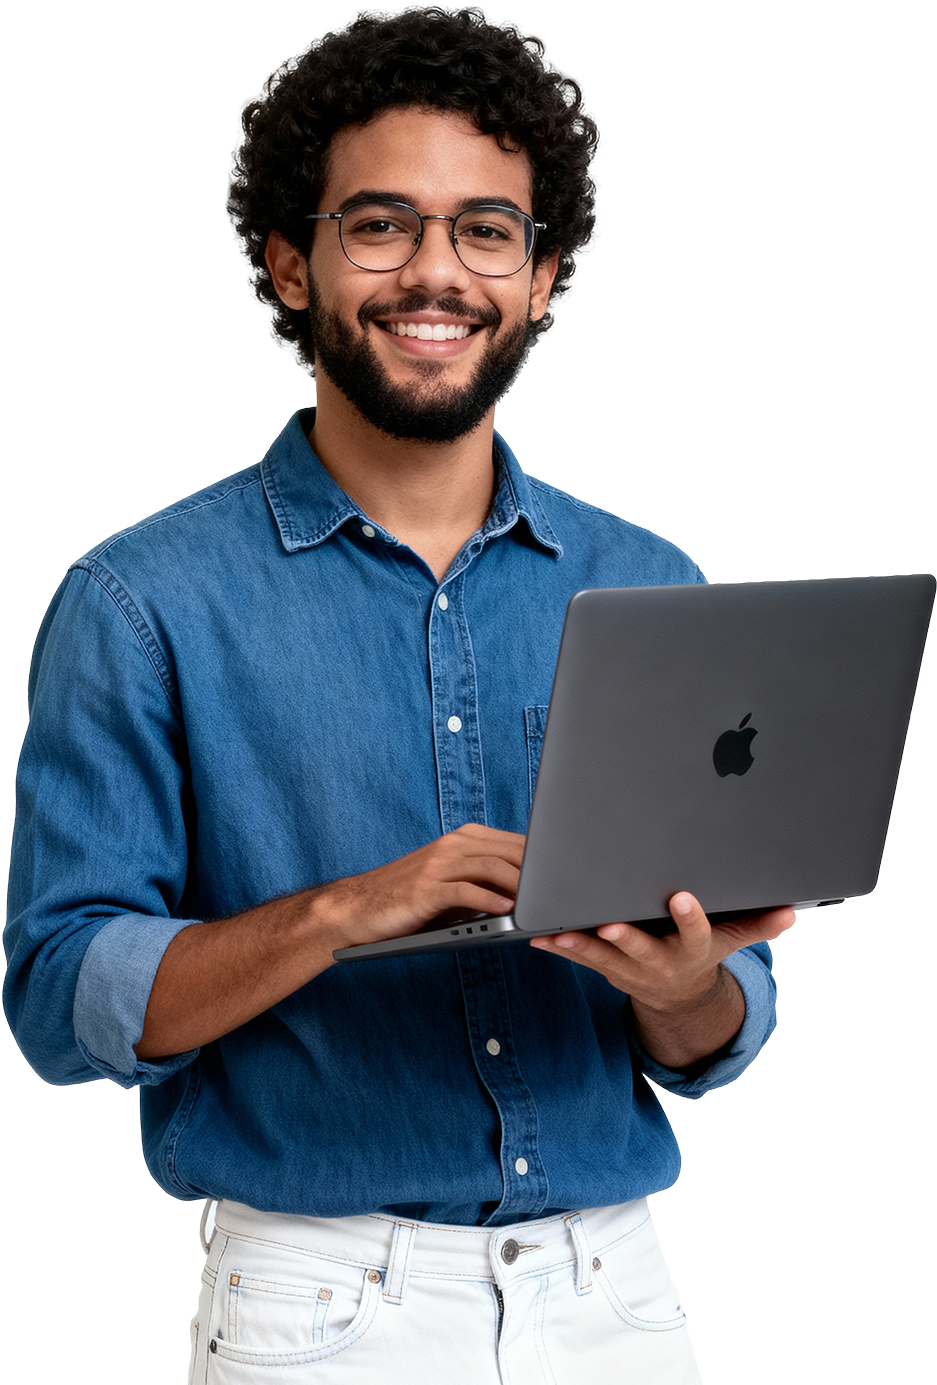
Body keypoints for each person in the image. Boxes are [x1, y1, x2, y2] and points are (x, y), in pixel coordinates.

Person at [4, 5, 793, 1381]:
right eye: (381, 226)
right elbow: (62, 995)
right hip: (318, 1308)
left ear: (542, 279)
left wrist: (689, 993)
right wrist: (350, 913)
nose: (439, 273)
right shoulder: (138, 603)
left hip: (615, 1296)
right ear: (288, 266)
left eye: (487, 231)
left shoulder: (655, 580)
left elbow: (728, 1023)